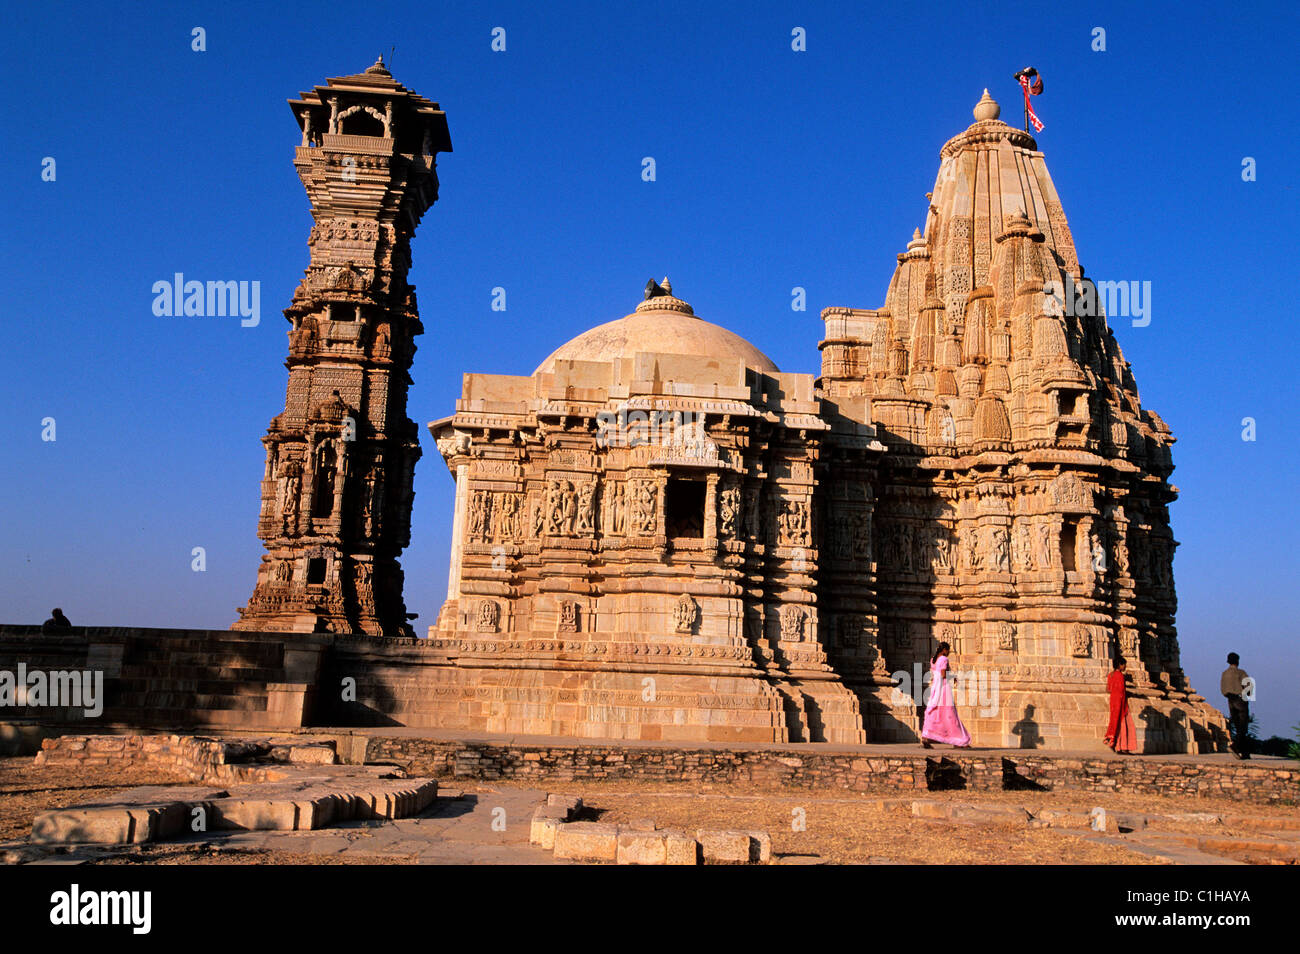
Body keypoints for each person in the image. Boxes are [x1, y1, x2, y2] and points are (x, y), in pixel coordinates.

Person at [920, 642, 971, 748]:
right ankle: (958, 739)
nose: (948, 653)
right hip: (943, 688)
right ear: (944, 650)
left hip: (935, 688)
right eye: (948, 650)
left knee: (935, 712)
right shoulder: (943, 659)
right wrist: (953, 676)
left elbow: (936, 674)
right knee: (950, 714)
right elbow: (943, 674)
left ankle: (926, 736)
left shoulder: (933, 659)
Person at [1220, 652, 1251, 760]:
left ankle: (1245, 753)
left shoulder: (1224, 673)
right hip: (1240, 699)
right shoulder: (1241, 672)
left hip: (1230, 700)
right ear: (1237, 661)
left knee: (1238, 726)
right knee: (1243, 726)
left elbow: (1222, 689)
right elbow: (1249, 686)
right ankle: (1235, 746)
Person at [1104, 656, 1137, 754]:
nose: (1125, 666)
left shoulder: (1110, 675)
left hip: (1113, 701)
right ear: (1120, 665)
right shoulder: (1120, 676)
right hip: (1120, 702)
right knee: (1124, 724)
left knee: (1115, 722)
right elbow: (1122, 691)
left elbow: (1108, 689)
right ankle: (1123, 747)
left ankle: (1116, 745)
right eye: (1124, 664)